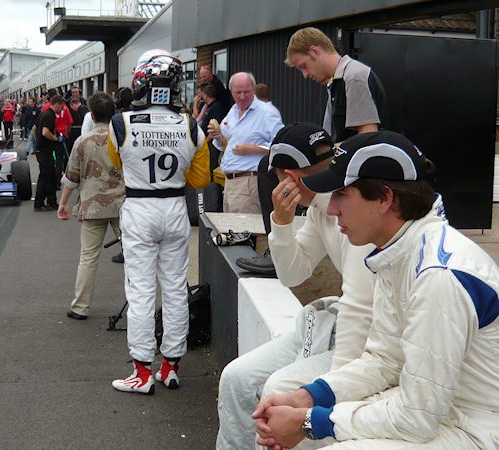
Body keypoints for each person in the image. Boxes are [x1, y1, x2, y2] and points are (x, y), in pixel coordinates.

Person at [254, 130, 499, 449]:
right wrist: (307, 396)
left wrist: (310, 422)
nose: (331, 210)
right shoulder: (399, 250)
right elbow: (384, 360)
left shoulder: (438, 274)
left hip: (476, 428)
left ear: (385, 198)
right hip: (439, 411)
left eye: (342, 195)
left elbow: (416, 418)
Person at [216, 123, 376, 450]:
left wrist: (336, 388)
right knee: (237, 378)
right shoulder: (322, 206)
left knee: (277, 394)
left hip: (364, 344)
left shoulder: (351, 211)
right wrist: (282, 224)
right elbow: (293, 275)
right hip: (338, 326)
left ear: (288, 175)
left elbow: (361, 316)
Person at [237, 26, 387, 275]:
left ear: (315, 51)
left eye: (303, 66)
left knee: (269, 167)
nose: (305, 75)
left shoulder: (354, 76)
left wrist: (320, 156)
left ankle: (280, 239)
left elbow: (368, 139)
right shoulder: (337, 81)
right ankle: (281, 239)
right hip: (341, 166)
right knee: (270, 164)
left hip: (355, 173)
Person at [108, 49, 210, 395]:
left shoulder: (120, 123)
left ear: (141, 80)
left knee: (140, 291)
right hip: (174, 208)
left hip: (140, 206)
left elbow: (118, 163)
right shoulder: (192, 125)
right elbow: (199, 180)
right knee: (175, 289)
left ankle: (141, 371)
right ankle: (170, 367)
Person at [58, 92, 125, 320]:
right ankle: (138, 306)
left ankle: (80, 306)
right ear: (113, 112)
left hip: (92, 205)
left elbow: (72, 177)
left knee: (88, 257)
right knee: (135, 257)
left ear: (92, 114)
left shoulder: (82, 141)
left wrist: (63, 203)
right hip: (123, 206)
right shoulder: (123, 138)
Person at [208, 72, 283, 214]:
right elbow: (225, 140)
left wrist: (255, 149)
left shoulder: (267, 112)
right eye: (238, 92)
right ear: (231, 92)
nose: (242, 97)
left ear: (253, 90)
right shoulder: (234, 110)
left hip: (249, 181)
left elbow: (281, 145)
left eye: (246, 92)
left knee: (244, 232)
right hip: (229, 182)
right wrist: (217, 136)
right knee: (231, 231)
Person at [34, 94, 65, 212]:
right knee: (45, 177)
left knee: (51, 177)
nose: (62, 110)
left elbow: (35, 129)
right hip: (44, 150)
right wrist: (56, 139)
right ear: (57, 104)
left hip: (43, 149)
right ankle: (39, 203)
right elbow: (45, 132)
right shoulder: (50, 116)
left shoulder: (44, 113)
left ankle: (51, 201)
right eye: (61, 107)